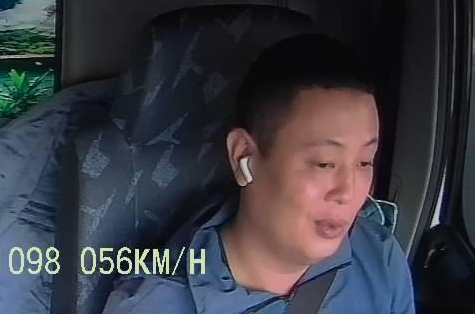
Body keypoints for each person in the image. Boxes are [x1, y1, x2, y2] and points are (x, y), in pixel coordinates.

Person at [102, 32, 416, 313]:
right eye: (324, 163)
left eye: (364, 162)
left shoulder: (378, 257)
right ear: (244, 156)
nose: (349, 192)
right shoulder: (157, 304)